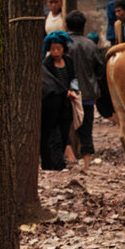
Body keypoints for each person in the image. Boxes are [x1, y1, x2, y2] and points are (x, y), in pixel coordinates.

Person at [65, 11, 104, 169]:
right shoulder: (91, 45)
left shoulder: (64, 45)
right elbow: (100, 69)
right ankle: (86, 163)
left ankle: (71, 157)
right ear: (83, 26)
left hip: (68, 94)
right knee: (86, 128)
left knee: (65, 125)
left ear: (67, 25)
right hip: (87, 94)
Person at [41, 31, 79, 170]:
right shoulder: (47, 64)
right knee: (53, 133)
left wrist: (73, 90)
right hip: (53, 101)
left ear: (63, 48)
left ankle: (58, 160)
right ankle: (55, 163)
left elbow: (74, 77)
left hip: (66, 102)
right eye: (53, 49)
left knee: (64, 132)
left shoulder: (68, 61)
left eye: (58, 48)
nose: (56, 52)